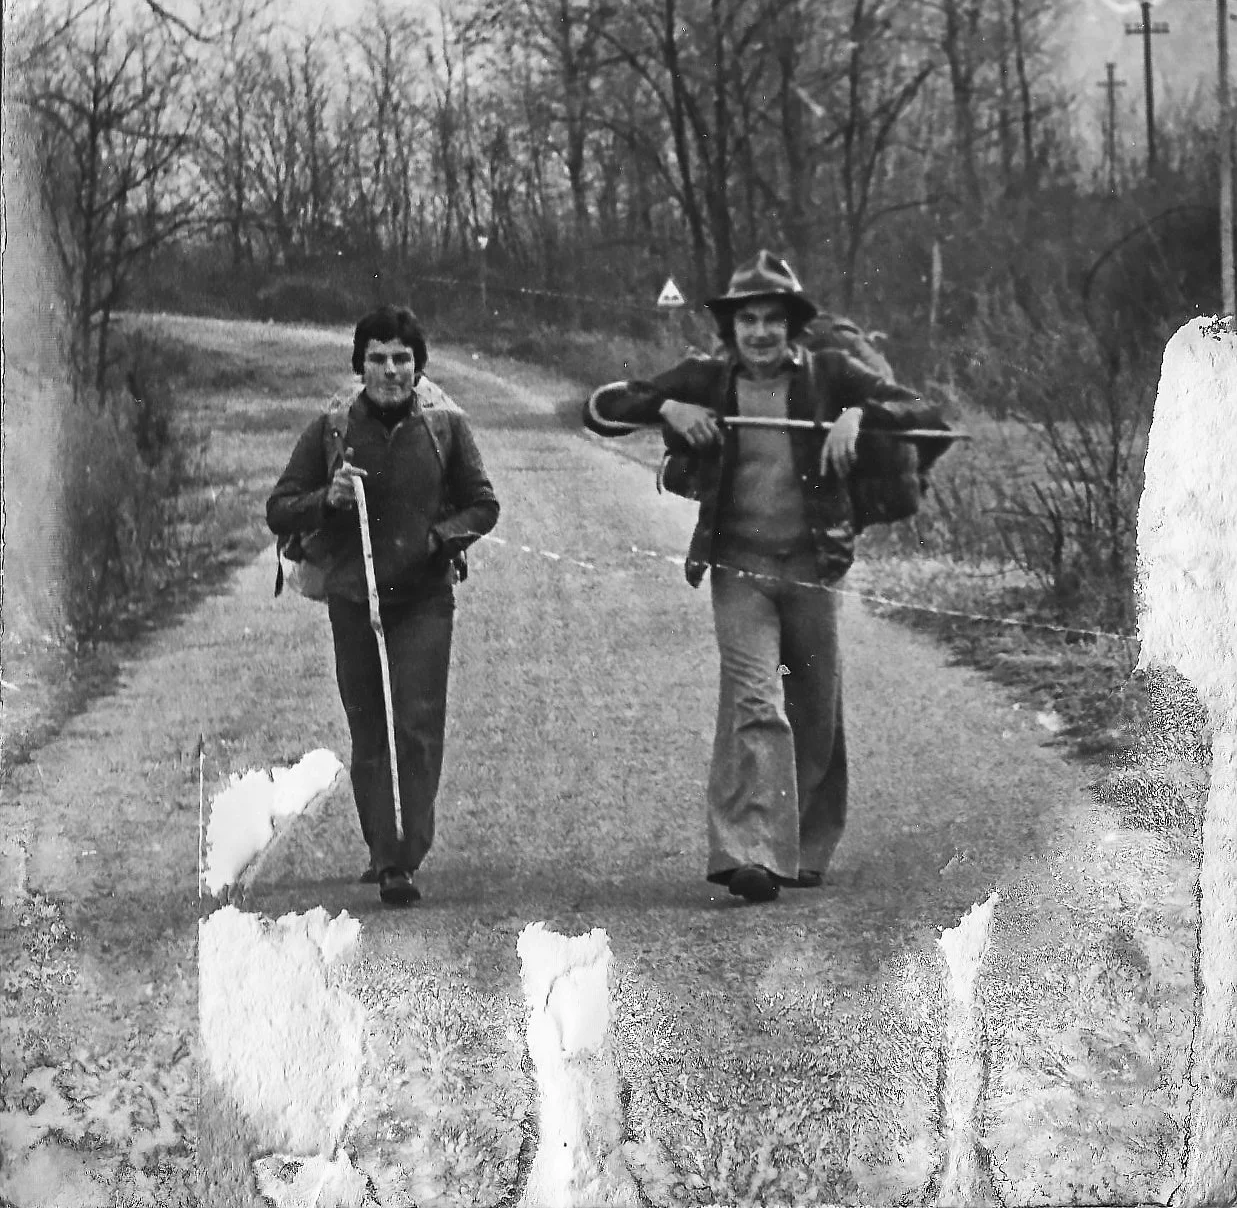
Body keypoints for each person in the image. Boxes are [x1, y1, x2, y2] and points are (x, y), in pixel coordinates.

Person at [583, 251, 952, 904]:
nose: (759, 333)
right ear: (730, 328)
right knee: (756, 700)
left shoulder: (832, 373)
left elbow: (927, 414)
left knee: (815, 705)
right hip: (739, 568)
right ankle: (750, 851)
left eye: (772, 320)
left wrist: (860, 415)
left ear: (792, 325)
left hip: (813, 566)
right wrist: (668, 405)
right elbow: (602, 406)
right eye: (747, 320)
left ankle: (805, 847)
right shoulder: (707, 377)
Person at [267, 305, 499, 906]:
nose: (391, 370)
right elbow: (280, 508)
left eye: (402, 358)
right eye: (378, 358)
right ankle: (384, 852)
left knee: (415, 727)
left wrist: (439, 539)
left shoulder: (445, 427)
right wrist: (329, 498)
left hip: (424, 599)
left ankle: (406, 853)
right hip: (353, 599)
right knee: (368, 728)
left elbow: (483, 505)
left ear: (418, 367)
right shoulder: (332, 429)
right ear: (360, 365)